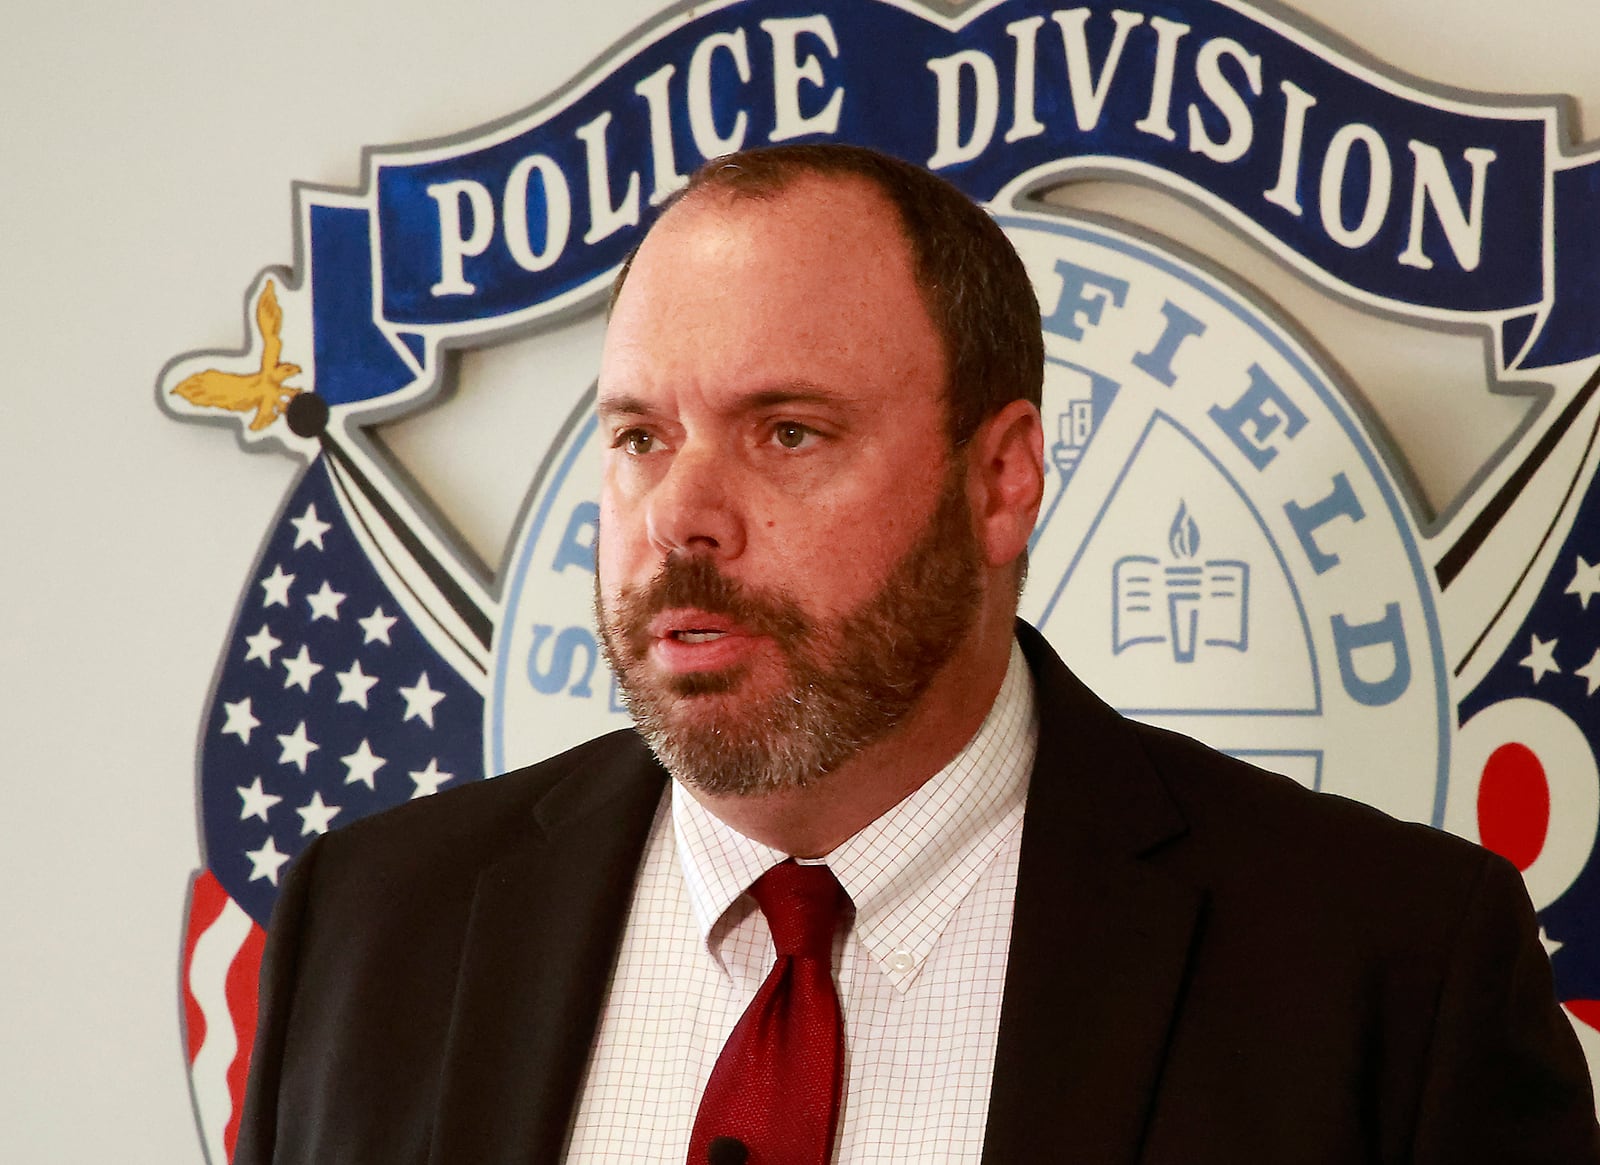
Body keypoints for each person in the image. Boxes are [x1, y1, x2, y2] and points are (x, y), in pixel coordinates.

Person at [235, 144, 1600, 1164]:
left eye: (788, 431)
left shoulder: (1387, 966)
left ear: (1001, 478)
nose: (681, 518)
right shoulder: (372, 925)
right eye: (642, 435)